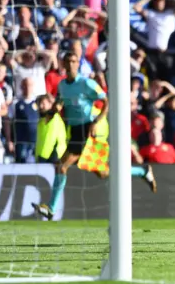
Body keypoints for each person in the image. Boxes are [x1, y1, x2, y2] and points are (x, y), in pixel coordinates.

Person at [32, 52, 158, 221]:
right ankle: (141, 171)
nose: (70, 64)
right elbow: (60, 102)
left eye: (74, 61)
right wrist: (51, 112)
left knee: (62, 166)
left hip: (88, 130)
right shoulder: (62, 85)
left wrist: (97, 121)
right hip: (75, 131)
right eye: (67, 61)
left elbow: (105, 102)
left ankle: (51, 208)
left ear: (78, 64)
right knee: (103, 172)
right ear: (62, 64)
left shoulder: (86, 83)